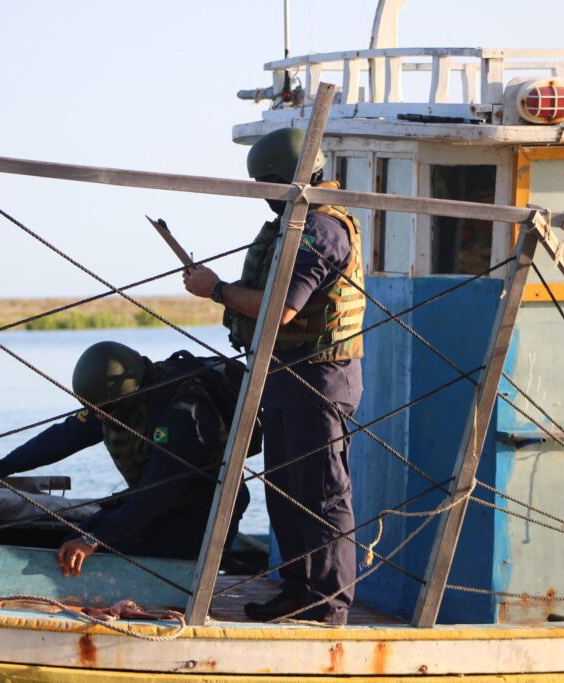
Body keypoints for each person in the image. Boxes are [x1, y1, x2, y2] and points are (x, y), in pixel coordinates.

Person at [183, 127, 365, 624]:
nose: (265, 198)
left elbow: (282, 310)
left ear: (284, 181)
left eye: (267, 186)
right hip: (287, 377)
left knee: (322, 494)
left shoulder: (321, 231)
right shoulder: (298, 225)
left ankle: (329, 605)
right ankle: (299, 590)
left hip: (319, 380)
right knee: (286, 490)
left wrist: (217, 290)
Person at [0, 341, 251, 578]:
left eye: (105, 410)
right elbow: (64, 436)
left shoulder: (182, 415)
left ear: (129, 393)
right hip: (158, 509)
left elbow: (155, 494)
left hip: (199, 518)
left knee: (95, 554)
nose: (99, 417)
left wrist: (92, 540)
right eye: (92, 410)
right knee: (68, 539)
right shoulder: (115, 402)